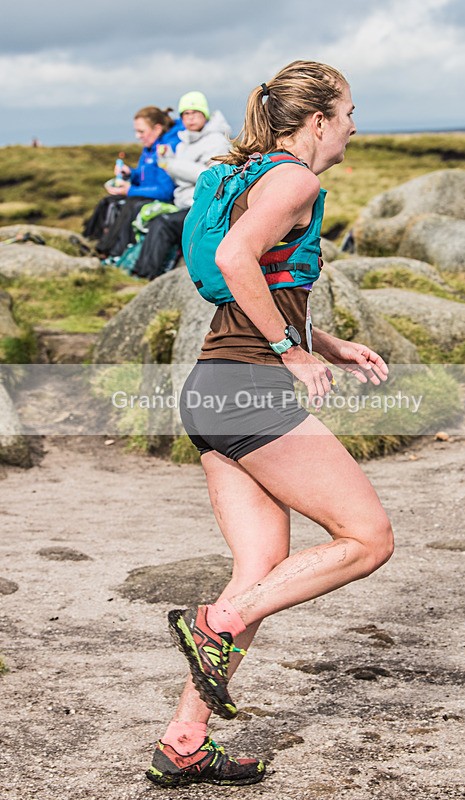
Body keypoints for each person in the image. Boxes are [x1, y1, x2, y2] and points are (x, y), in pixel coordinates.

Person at [145, 60, 394, 789]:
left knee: (259, 570)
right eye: (348, 111)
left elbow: (262, 283)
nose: (354, 124)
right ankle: (213, 627)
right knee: (368, 537)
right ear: (317, 120)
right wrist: (290, 354)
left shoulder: (246, 174)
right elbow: (233, 257)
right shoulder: (295, 180)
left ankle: (184, 740)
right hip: (249, 387)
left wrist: (329, 344)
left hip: (214, 384)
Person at [132, 92, 231, 280]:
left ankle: (146, 275)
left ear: (205, 115)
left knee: (163, 224)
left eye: (195, 112)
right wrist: (168, 158)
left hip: (205, 208)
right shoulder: (183, 142)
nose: (190, 117)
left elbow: (209, 177)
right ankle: (138, 270)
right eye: (186, 113)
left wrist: (171, 164)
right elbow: (184, 174)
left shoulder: (218, 141)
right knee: (149, 215)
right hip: (184, 203)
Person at [82, 106, 183, 258]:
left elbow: (165, 190)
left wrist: (129, 190)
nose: (137, 136)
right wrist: (131, 173)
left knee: (131, 204)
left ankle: (107, 251)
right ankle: (89, 239)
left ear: (157, 129)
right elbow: (145, 175)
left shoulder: (165, 149)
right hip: (143, 192)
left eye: (141, 131)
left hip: (162, 198)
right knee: (107, 201)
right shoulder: (149, 147)